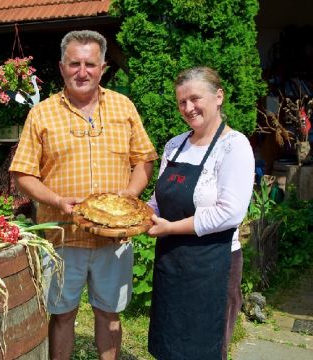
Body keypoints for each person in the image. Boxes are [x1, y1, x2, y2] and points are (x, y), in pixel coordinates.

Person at [9, 30, 157, 359]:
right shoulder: (41, 114)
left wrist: (128, 198)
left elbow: (144, 160)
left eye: (90, 64)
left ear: (103, 67)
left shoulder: (123, 107)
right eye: (74, 63)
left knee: (109, 313)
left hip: (114, 239)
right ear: (62, 67)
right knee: (62, 315)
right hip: (62, 238)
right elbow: (23, 174)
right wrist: (58, 201)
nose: (82, 71)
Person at [146, 66, 255, 360]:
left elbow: (230, 213)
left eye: (195, 98)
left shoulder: (234, 146)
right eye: (182, 102)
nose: (188, 108)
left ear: (218, 97)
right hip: (171, 261)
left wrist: (170, 228)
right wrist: (130, 218)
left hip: (213, 266)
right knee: (169, 342)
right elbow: (158, 201)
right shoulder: (175, 145)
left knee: (203, 348)